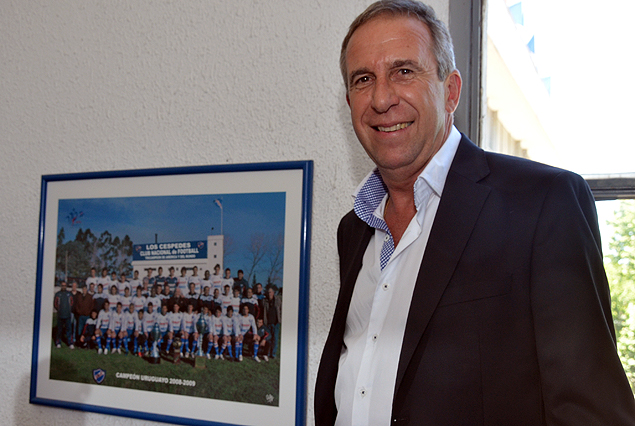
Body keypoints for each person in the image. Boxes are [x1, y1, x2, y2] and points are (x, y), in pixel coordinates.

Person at [314, 1, 635, 425]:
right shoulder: (354, 229)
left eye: (404, 71)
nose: (381, 97)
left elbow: (592, 412)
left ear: (451, 91)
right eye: (363, 79)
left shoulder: (541, 204)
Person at [54, 281, 74, 349]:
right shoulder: (58, 294)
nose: (63, 287)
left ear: (66, 286)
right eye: (62, 285)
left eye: (65, 285)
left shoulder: (69, 294)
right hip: (60, 315)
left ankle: (70, 343)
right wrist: (59, 310)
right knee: (59, 330)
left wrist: (68, 310)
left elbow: (72, 303)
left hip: (67, 315)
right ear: (61, 286)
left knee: (69, 330)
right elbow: (55, 304)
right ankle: (58, 342)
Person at [263, 287, 281, 358]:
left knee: (275, 339)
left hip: (276, 323)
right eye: (268, 292)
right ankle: (267, 353)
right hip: (268, 323)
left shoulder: (277, 300)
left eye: (270, 292)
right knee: (269, 339)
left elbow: (281, 309)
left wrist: (280, 319)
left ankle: (273, 354)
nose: (269, 293)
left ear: (273, 293)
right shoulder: (265, 301)